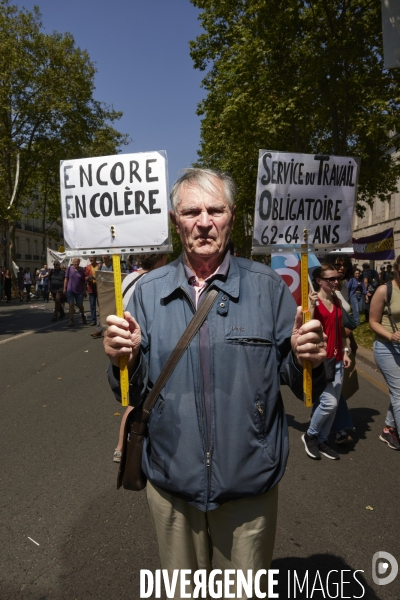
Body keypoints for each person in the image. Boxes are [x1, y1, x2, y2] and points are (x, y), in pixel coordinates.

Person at [103, 167, 327, 594]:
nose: (204, 221)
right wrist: (122, 361)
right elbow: (131, 388)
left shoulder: (269, 289)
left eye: (215, 210)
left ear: (232, 216)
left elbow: (298, 382)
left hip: (248, 486)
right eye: (191, 212)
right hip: (172, 484)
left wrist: (307, 361)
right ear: (176, 221)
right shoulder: (147, 292)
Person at [113, 253, 168, 462]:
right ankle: (125, 447)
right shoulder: (155, 281)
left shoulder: (129, 277)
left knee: (132, 398)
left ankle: (121, 447)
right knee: (139, 399)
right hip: (144, 342)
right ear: (160, 259)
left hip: (125, 341)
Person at [304, 264, 351, 460]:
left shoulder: (337, 301)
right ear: (319, 281)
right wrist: (311, 307)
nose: (335, 282)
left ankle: (323, 440)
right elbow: (306, 328)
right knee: (329, 403)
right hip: (322, 360)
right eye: (331, 279)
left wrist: (346, 351)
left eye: (337, 278)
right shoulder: (313, 303)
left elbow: (341, 330)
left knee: (333, 405)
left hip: (338, 358)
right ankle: (310, 435)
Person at [369, 255, 400, 450]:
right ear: (396, 269)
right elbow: (373, 321)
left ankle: (389, 428)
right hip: (387, 347)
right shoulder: (384, 290)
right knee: (399, 392)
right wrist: (390, 336)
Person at [91, 255, 113, 339]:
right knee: (100, 310)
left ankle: (111, 330)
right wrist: (92, 277)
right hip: (102, 291)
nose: (104, 256)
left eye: (106, 255)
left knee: (111, 311)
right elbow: (98, 277)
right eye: (103, 255)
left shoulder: (114, 266)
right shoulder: (100, 267)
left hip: (111, 291)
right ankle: (98, 330)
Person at [63, 258, 87, 327]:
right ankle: (71, 320)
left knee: (80, 305)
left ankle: (82, 315)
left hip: (79, 290)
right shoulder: (70, 269)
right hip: (70, 289)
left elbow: (83, 282)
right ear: (73, 263)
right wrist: (64, 288)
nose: (76, 263)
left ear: (79, 263)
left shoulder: (82, 270)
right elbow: (66, 278)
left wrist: (84, 290)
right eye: (75, 262)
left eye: (77, 262)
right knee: (71, 304)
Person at [85, 256, 99, 326]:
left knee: (100, 305)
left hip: (99, 287)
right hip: (91, 287)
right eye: (90, 258)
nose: (91, 259)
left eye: (92, 258)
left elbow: (101, 276)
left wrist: (94, 278)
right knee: (92, 305)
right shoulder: (88, 267)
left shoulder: (99, 266)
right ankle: (93, 320)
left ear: (96, 258)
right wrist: (88, 278)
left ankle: (101, 319)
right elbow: (85, 276)